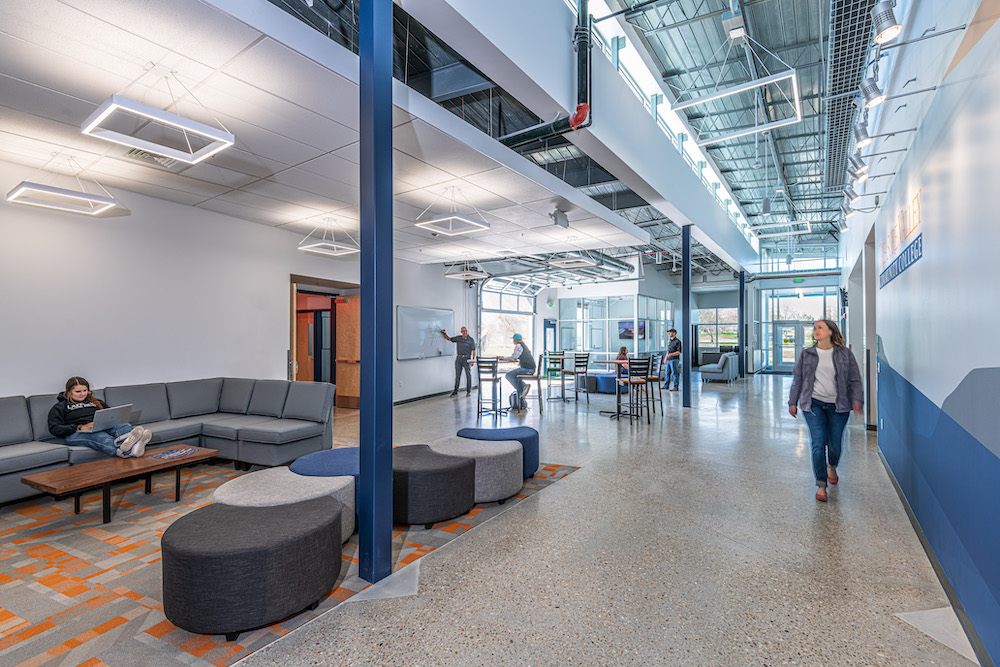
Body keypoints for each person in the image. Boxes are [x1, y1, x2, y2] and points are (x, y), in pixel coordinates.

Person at [788, 319, 864, 502]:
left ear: (830, 331)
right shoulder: (806, 355)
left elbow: (854, 380)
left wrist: (857, 400)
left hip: (839, 406)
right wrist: (793, 401)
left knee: (835, 445)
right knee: (817, 444)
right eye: (814, 328)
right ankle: (821, 484)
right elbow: (797, 379)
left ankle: (832, 466)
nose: (816, 331)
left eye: (820, 327)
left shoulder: (845, 354)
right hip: (813, 404)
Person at [48, 376, 152, 458]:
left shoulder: (96, 402)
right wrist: (79, 427)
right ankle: (130, 450)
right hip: (77, 433)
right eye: (78, 392)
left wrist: (111, 420)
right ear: (69, 392)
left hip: (101, 426)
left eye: (85, 390)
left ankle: (133, 445)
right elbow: (54, 428)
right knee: (99, 436)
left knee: (124, 426)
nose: (82, 394)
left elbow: (110, 414)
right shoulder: (60, 406)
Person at [441, 326, 477, 397]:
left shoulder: (471, 340)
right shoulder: (458, 338)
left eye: (466, 331)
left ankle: (468, 391)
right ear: (461, 332)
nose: (465, 332)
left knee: (468, 375)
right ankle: (455, 391)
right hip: (459, 359)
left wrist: (472, 360)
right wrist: (444, 333)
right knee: (457, 376)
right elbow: (449, 339)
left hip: (467, 359)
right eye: (463, 331)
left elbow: (474, 351)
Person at [503, 333, 536, 402]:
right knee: (515, 376)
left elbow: (514, 358)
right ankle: (523, 389)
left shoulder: (518, 346)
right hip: (530, 369)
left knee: (509, 375)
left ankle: (521, 390)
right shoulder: (523, 345)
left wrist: (503, 358)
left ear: (515, 340)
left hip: (528, 369)